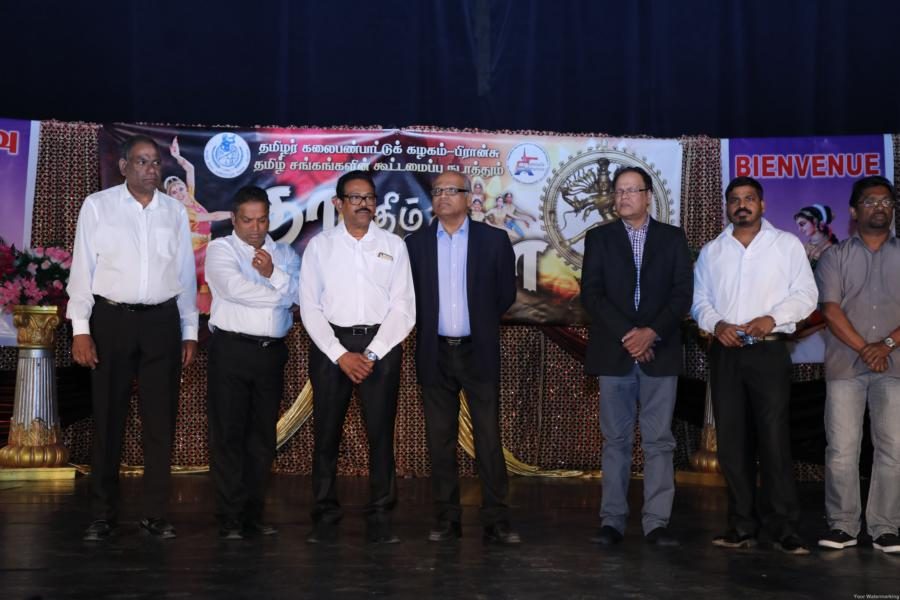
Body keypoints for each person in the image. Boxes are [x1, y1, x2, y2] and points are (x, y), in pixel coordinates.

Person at [67, 134, 198, 541]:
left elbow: (185, 273)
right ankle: (103, 514)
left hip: (161, 322)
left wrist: (189, 329)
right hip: (112, 320)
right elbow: (82, 271)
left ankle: (155, 514)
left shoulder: (173, 212)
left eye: (155, 162)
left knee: (160, 421)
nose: (150, 169)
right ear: (123, 166)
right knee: (108, 419)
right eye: (141, 161)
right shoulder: (98, 206)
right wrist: (81, 330)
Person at [691, 176, 817, 554]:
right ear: (727, 207)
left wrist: (772, 318)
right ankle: (742, 525)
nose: (741, 205)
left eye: (749, 198)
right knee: (732, 442)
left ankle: (784, 528)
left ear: (762, 204)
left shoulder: (786, 245)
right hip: (726, 353)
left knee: (774, 440)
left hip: (768, 351)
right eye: (734, 199)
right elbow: (699, 301)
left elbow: (807, 295)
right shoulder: (712, 251)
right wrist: (718, 324)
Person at [298, 170, 415, 544]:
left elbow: (403, 307)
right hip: (331, 348)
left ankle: (381, 514)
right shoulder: (320, 246)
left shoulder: (394, 245)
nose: (364, 204)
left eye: (369, 198)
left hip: (381, 346)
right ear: (338, 203)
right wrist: (339, 354)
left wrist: (372, 352)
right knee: (326, 435)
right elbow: (309, 307)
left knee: (381, 435)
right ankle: (324, 514)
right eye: (355, 197)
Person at [580, 166, 693, 547]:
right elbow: (592, 294)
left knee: (659, 440)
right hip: (616, 351)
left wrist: (651, 333)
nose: (624, 197)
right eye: (619, 191)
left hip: (660, 351)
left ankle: (656, 522)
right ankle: (612, 521)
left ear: (647, 196)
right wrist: (630, 335)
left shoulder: (672, 238)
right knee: (616, 440)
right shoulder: (600, 238)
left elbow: (682, 294)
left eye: (632, 190)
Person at [406, 171, 520, 545]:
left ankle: (496, 519)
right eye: (437, 191)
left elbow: (505, 293)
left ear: (469, 198)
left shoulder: (493, 240)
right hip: (434, 351)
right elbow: (409, 297)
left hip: (478, 350)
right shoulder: (416, 244)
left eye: (451, 191)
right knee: (440, 441)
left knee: (488, 437)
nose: (442, 196)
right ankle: (447, 518)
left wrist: (480, 323)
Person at [205, 186, 300, 540]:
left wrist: (274, 273)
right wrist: (282, 297)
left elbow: (302, 293)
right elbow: (234, 290)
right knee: (228, 434)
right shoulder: (221, 249)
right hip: (232, 350)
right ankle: (230, 516)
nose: (255, 228)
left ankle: (253, 514)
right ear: (234, 218)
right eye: (247, 220)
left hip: (271, 353)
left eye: (262, 220)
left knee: (262, 437)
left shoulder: (284, 253)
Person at [814, 175, 900, 554]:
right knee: (842, 449)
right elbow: (830, 310)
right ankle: (843, 526)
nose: (879, 207)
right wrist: (868, 348)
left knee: (893, 449)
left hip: (895, 366)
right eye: (870, 201)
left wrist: (887, 344)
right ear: (853, 211)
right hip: (846, 366)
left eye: (886, 202)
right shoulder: (834, 256)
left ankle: (886, 527)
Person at [165, 136, 231, 314]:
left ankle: (212, 313)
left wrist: (177, 157)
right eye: (174, 192)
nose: (179, 193)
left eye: (180, 188)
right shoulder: (184, 211)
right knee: (203, 281)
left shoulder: (191, 198)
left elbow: (190, 169)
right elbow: (214, 216)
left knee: (211, 278)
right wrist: (236, 215)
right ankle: (200, 316)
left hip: (205, 247)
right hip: (196, 252)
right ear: (171, 198)